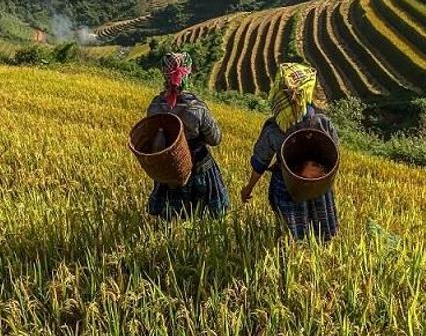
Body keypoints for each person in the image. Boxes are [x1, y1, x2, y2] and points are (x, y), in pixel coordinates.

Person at [240, 63, 339, 242]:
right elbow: (333, 156)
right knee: (320, 233)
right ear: (307, 93)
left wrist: (248, 188)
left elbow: (260, 163)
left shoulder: (274, 129)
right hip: (317, 185)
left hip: (287, 186)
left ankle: (289, 256)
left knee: (290, 235)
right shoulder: (323, 123)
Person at [144, 52, 229, 219]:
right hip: (198, 169)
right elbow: (215, 139)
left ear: (164, 74)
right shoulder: (197, 109)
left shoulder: (154, 107)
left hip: (170, 169)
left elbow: (151, 138)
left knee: (170, 220)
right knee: (204, 218)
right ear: (187, 74)